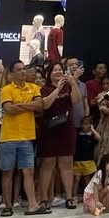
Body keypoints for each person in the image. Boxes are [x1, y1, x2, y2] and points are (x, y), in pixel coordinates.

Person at [0, 59, 61, 216]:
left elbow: (40, 106)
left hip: (27, 136)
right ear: (11, 74)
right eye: (19, 70)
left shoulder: (33, 88)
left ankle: (32, 205)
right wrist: (28, 106)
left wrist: (19, 105)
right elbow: (8, 109)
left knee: (29, 171)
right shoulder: (6, 89)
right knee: (7, 172)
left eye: (24, 69)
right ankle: (7, 205)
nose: (23, 72)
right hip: (8, 137)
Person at [37, 61, 80, 209]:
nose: (57, 72)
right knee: (48, 163)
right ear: (48, 74)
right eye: (54, 70)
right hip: (49, 129)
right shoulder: (44, 89)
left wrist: (73, 84)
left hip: (66, 129)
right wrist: (58, 89)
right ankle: (44, 199)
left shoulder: (69, 87)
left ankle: (68, 197)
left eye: (60, 69)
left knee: (66, 163)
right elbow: (46, 104)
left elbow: (76, 101)